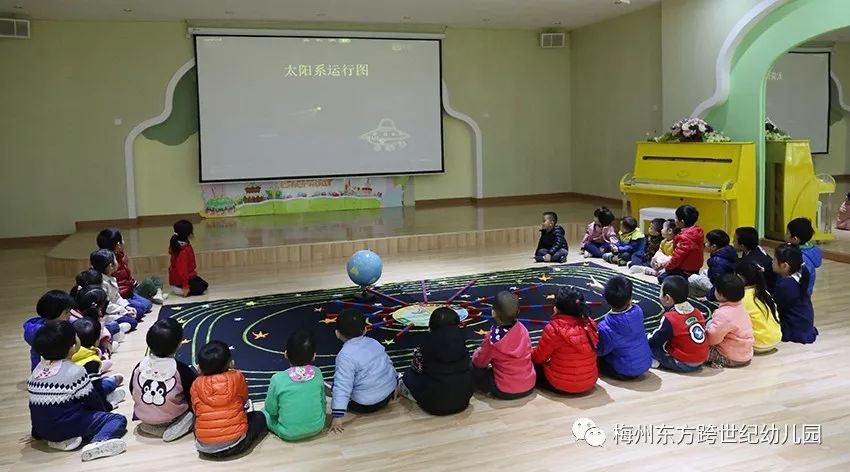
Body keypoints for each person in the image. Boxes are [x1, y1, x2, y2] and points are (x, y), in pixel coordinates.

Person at [28, 320, 128, 461]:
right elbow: (93, 401)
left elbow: (35, 406)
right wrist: (104, 413)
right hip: (66, 425)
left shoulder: (37, 370)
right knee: (117, 419)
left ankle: (61, 441)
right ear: (72, 346)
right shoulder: (75, 371)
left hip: (42, 430)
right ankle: (98, 442)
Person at [191, 340, 267, 458]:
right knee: (259, 416)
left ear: (199, 368)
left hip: (205, 448)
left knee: (198, 419)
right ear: (231, 364)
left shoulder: (196, 384)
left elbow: (196, 409)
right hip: (237, 444)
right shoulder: (237, 377)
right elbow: (244, 399)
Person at [329, 309, 398, 433]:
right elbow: (388, 364)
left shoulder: (345, 355)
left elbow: (342, 385)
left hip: (364, 405)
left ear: (337, 333)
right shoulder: (374, 343)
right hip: (386, 398)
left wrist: (337, 416)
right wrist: (395, 384)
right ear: (365, 329)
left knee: (336, 383)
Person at [130, 318, 197, 442]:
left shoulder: (140, 366)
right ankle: (175, 427)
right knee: (192, 414)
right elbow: (194, 393)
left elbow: (132, 389)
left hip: (143, 417)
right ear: (179, 344)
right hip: (172, 417)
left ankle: (150, 425)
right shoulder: (180, 370)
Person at [398, 307, 474, 415]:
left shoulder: (427, 342)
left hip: (433, 404)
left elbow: (416, 368)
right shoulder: (462, 340)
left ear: (431, 326)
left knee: (408, 375)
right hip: (463, 401)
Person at [532, 287, 599, 394]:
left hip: (561, 385)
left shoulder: (554, 329)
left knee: (535, 367)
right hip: (590, 382)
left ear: (556, 308)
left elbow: (538, 358)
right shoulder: (590, 324)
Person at [263, 330, 326, 441]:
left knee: (264, 412)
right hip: (317, 427)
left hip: (287, 432)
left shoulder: (277, 379)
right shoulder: (318, 373)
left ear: (286, 354)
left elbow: (271, 409)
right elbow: (323, 402)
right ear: (314, 356)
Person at [471, 291, 536, 399]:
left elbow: (480, 363)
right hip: (529, 384)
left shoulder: (493, 339)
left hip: (505, 390)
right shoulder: (523, 330)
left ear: (493, 313)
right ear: (518, 311)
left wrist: (477, 352)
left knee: (474, 368)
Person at [593, 276, 652, 379]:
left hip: (624, 371)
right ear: (630, 299)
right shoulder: (638, 311)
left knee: (596, 356)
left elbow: (601, 351)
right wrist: (604, 290)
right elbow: (622, 301)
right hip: (646, 363)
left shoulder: (605, 327)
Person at [648, 275, 709, 372]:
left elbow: (655, 340)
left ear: (667, 298)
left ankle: (654, 361)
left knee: (649, 346)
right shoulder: (697, 312)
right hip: (702, 359)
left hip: (685, 363)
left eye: (660, 291)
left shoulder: (670, 318)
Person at [96, 228, 165, 306]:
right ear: (118, 245)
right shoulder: (110, 264)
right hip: (125, 294)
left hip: (131, 287)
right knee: (147, 285)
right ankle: (155, 294)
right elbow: (119, 288)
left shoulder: (121, 255)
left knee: (156, 279)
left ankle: (155, 293)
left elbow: (127, 276)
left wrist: (134, 283)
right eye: (123, 240)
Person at [71, 317, 124, 406]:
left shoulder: (67, 351)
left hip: (66, 397)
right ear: (97, 341)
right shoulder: (92, 362)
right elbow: (94, 391)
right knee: (104, 386)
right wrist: (108, 406)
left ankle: (110, 381)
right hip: (83, 399)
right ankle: (111, 389)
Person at [705, 274, 754, 368]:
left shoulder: (723, 314)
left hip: (730, 357)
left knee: (696, 350)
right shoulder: (741, 307)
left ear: (720, 294)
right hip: (746, 354)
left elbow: (712, 339)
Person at [773, 244, 818, 344]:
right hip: (803, 324)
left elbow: (776, 306)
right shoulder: (797, 277)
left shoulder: (787, 285)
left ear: (784, 266)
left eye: (774, 259)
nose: (772, 262)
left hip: (794, 327)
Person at [736, 261, 781, 353]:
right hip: (776, 338)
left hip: (757, 344)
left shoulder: (742, 297)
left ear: (740, 278)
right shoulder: (765, 293)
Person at [24, 290, 74, 371]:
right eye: (67, 312)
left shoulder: (63, 323)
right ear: (54, 313)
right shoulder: (41, 333)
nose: (70, 315)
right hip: (49, 370)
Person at [90, 249, 140, 328]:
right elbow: (106, 306)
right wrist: (124, 311)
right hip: (106, 314)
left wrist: (126, 306)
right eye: (115, 260)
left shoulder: (111, 278)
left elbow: (117, 297)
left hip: (116, 309)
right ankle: (112, 328)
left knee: (137, 312)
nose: (117, 262)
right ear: (111, 266)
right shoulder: (101, 283)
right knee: (132, 322)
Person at [659, 205, 704, 283]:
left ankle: (687, 282)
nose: (675, 220)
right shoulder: (698, 231)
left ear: (682, 221)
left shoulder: (684, 238)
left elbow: (677, 258)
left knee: (662, 278)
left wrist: (666, 268)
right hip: (695, 268)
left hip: (685, 270)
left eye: (676, 218)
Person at [688, 229, 737, 299]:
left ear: (714, 246)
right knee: (704, 271)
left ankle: (698, 295)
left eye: (707, 243)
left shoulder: (717, 261)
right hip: (727, 278)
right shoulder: (728, 250)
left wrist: (708, 297)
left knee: (692, 278)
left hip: (722, 287)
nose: (705, 244)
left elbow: (719, 283)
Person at [169, 219, 208, 297]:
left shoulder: (184, 244)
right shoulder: (182, 251)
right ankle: (180, 290)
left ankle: (183, 287)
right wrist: (185, 286)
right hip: (179, 282)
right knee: (200, 289)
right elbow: (182, 271)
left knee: (204, 284)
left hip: (189, 276)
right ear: (189, 234)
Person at [734, 226, 777, 293]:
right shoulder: (757, 248)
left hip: (766, 291)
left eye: (734, 240)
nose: (733, 242)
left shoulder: (747, 263)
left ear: (742, 246)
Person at [786, 217, 821, 296]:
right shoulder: (810, 251)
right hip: (805, 293)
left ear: (795, 239)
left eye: (787, 232)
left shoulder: (800, 257)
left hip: (799, 294)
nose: (785, 235)